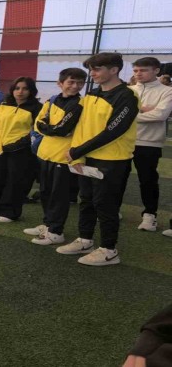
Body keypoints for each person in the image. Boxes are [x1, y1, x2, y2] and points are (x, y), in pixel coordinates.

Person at [57, 52, 139, 266]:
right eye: (91, 69)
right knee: (86, 200)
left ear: (114, 70)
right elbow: (80, 125)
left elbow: (114, 131)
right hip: (87, 157)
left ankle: (109, 250)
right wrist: (78, 153)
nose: (92, 73)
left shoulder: (127, 96)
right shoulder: (92, 94)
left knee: (106, 205)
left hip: (112, 160)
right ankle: (85, 240)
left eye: (97, 69)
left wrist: (78, 151)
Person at [24, 68, 86, 244]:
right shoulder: (51, 100)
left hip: (63, 157)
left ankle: (56, 232)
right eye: (71, 82)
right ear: (60, 83)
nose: (75, 86)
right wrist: (51, 129)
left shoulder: (80, 103)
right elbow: (38, 122)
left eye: (80, 83)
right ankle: (48, 225)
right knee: (45, 192)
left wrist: (49, 129)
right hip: (45, 153)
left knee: (59, 196)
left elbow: (63, 129)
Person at [0, 77, 42, 223]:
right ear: (12, 90)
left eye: (25, 88)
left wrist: (15, 145)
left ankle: (9, 212)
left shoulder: (37, 108)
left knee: (14, 181)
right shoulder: (4, 104)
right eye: (17, 88)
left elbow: (36, 131)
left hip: (21, 152)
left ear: (31, 91)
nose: (20, 92)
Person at [127, 57, 172, 234]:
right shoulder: (128, 90)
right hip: (123, 142)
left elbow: (160, 115)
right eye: (136, 70)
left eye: (143, 70)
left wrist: (129, 115)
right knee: (118, 179)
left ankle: (150, 215)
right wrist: (146, 110)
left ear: (156, 71)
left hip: (149, 143)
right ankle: (112, 209)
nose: (138, 74)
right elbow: (114, 114)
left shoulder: (167, 91)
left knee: (147, 180)